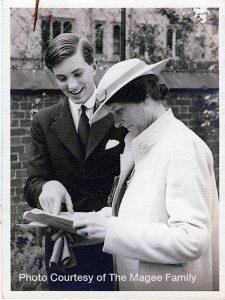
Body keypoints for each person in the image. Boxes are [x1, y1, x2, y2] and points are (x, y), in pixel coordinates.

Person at [73, 58, 219, 291]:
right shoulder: (141, 144)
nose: (117, 123)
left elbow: (192, 240)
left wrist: (112, 230)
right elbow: (147, 213)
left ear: (146, 96)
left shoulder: (182, 146)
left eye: (119, 111)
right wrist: (96, 221)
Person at [24, 33, 127, 291]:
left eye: (78, 73)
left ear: (94, 66)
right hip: (65, 250)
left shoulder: (121, 113)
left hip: (115, 246)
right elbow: (33, 182)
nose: (71, 85)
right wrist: (47, 187)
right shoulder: (44, 121)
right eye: (61, 78)